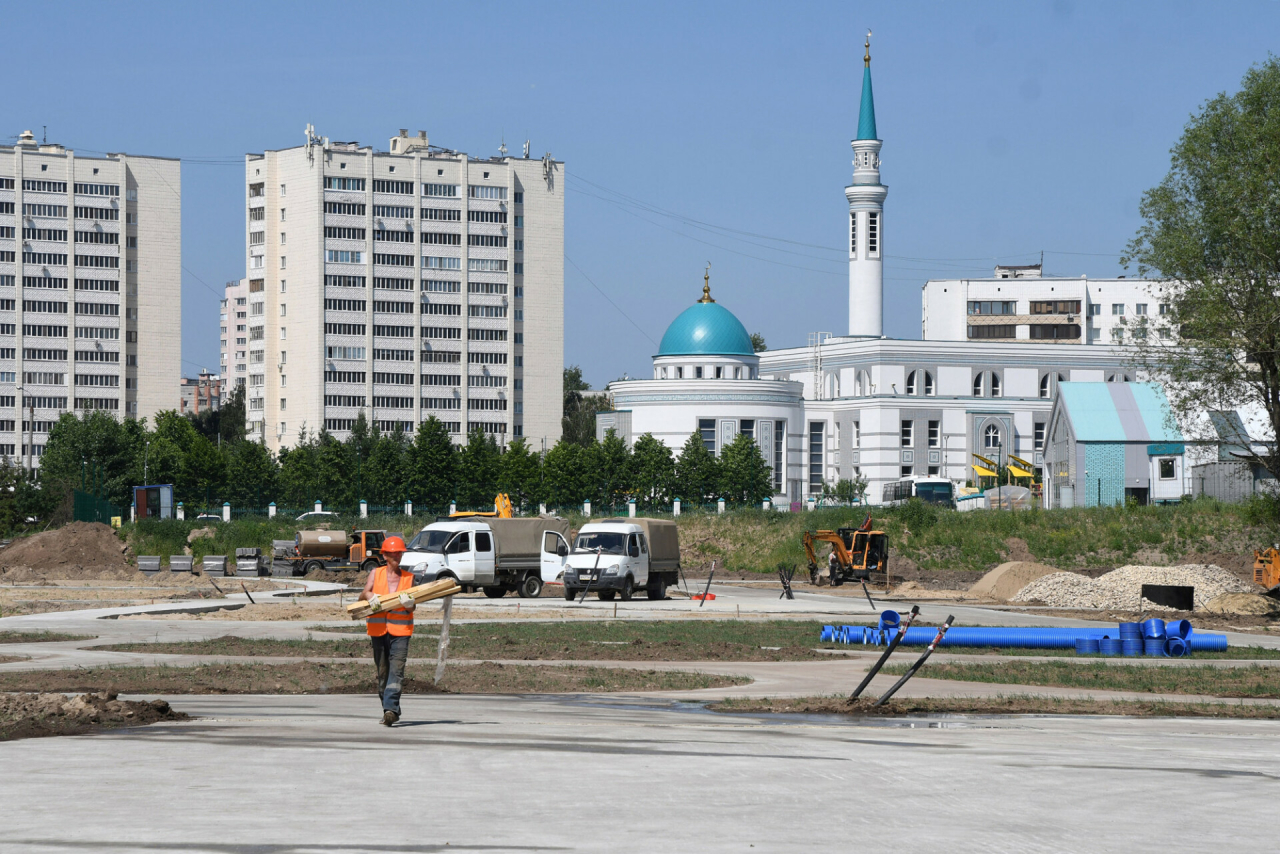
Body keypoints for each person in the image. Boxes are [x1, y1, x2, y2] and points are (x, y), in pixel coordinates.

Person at [359, 535, 414, 726]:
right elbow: (363, 594)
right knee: (383, 673)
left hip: (401, 633)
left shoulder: (409, 578)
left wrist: (410, 604)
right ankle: (388, 710)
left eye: (399, 553)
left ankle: (391, 709)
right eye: (393, 553)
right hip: (378, 630)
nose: (397, 556)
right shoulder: (376, 573)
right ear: (385, 555)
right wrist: (370, 596)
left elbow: (412, 607)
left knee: (396, 672)